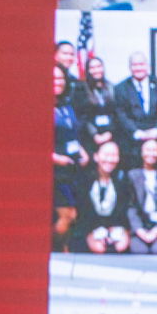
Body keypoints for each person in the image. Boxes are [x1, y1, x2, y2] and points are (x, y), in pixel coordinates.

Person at [54, 65, 89, 247]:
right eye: (53, 78)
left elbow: (73, 135)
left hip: (72, 169)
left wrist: (82, 152)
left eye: (60, 79)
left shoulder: (66, 104)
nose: (57, 82)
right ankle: (53, 250)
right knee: (66, 215)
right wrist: (55, 158)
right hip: (55, 172)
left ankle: (64, 250)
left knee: (73, 215)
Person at [115, 52, 157, 167]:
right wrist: (137, 132)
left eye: (141, 64)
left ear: (147, 66)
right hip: (133, 143)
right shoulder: (120, 88)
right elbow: (121, 114)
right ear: (130, 68)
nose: (138, 68)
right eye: (135, 65)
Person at [78, 140, 132, 253]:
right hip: (92, 227)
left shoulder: (122, 181)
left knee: (120, 246)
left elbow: (124, 212)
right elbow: (83, 213)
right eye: (106, 155)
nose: (110, 160)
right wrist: (98, 231)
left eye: (113, 155)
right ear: (96, 156)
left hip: (115, 228)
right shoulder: (86, 180)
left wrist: (112, 231)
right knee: (99, 249)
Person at [127, 137, 157, 253]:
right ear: (141, 152)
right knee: (139, 251)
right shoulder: (133, 175)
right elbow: (130, 206)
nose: (151, 154)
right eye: (147, 150)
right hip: (140, 226)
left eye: (154, 150)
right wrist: (139, 230)